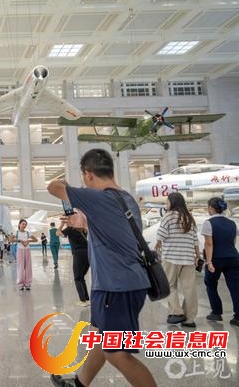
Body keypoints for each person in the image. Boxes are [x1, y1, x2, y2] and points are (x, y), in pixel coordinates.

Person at [47, 148, 156, 387]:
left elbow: (53, 187)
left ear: (88, 175)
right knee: (99, 337)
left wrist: (68, 185)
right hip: (119, 284)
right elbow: (117, 236)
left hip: (116, 288)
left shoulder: (97, 197)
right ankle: (80, 383)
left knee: (117, 354)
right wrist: (86, 224)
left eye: (84, 177)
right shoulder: (125, 199)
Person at [154, 192, 200, 328]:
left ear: (172, 203)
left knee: (170, 285)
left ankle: (177, 312)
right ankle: (189, 319)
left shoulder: (168, 216)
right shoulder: (189, 218)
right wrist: (197, 255)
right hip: (188, 258)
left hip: (171, 257)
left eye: (167, 202)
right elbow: (195, 240)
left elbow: (160, 237)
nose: (166, 204)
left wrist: (156, 248)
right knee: (189, 288)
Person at [201, 197, 239, 326]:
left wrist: (209, 262)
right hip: (233, 257)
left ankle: (216, 312)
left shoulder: (208, 223)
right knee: (235, 287)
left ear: (211, 208)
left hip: (216, 259)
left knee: (211, 284)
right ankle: (238, 317)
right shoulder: (232, 223)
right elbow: (233, 242)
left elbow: (209, 244)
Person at [59, 218, 90, 307]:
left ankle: (83, 301)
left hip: (78, 254)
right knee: (81, 277)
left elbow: (58, 233)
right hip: (88, 253)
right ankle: (87, 299)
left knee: (77, 278)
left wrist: (62, 224)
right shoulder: (83, 229)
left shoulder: (70, 229)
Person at [16, 219, 37, 291]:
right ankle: (21, 284)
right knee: (20, 267)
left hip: (27, 250)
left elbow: (36, 239)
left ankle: (28, 283)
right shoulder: (16, 233)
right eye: (23, 224)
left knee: (28, 266)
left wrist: (28, 240)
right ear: (19, 224)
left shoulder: (28, 233)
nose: (24, 225)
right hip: (20, 250)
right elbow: (10, 240)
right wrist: (20, 240)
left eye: (25, 224)